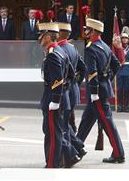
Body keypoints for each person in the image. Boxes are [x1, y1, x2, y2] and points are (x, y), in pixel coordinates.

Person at [76, 18, 125, 164]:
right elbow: (116, 65)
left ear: (93, 31)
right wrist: (107, 79)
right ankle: (75, 148)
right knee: (86, 121)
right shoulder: (104, 46)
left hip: (97, 93)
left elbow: (92, 73)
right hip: (102, 89)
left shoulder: (91, 48)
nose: (86, 32)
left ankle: (118, 154)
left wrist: (95, 91)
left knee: (107, 123)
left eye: (88, 30)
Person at [37, 22, 67, 168]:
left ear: (48, 37)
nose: (39, 38)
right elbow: (72, 74)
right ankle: (57, 160)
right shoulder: (60, 50)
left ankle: (52, 163)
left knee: (51, 133)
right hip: (55, 96)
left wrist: (55, 100)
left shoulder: (52, 54)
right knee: (53, 131)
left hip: (52, 97)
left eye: (41, 35)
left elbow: (58, 79)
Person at [57, 22, 87, 164]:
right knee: (66, 124)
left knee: (62, 125)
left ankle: (68, 155)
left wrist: (71, 82)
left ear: (62, 33)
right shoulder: (72, 48)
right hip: (73, 90)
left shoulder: (60, 49)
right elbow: (83, 68)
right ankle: (78, 148)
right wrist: (77, 82)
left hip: (65, 92)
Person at [116, 27, 129, 112]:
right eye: (123, 38)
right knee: (120, 89)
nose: (124, 40)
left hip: (128, 71)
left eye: (126, 38)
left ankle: (126, 106)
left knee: (127, 90)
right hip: (120, 71)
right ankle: (120, 106)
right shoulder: (118, 48)